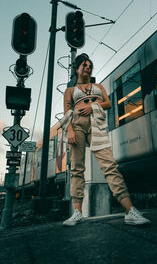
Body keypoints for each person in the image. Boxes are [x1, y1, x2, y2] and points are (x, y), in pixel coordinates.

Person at [61, 53, 150, 227]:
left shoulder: (98, 86)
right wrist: (69, 130)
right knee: (77, 169)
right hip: (77, 125)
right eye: (84, 65)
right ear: (77, 69)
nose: (88, 68)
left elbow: (108, 103)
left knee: (109, 165)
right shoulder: (70, 91)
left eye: (90, 66)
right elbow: (67, 113)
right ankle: (77, 213)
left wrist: (91, 106)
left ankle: (129, 211)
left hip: (97, 125)